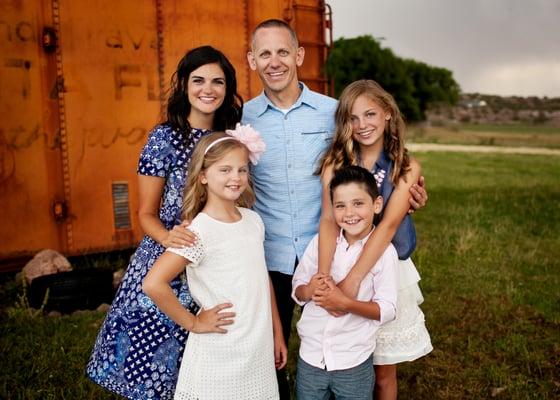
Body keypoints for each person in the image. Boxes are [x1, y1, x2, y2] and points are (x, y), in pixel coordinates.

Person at [242, 19, 428, 398]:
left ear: (299, 55)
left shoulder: (333, 112)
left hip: (348, 254)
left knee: (369, 358)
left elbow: (386, 202)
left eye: (283, 51)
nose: (275, 61)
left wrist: (411, 191)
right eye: (265, 53)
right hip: (274, 252)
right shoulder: (241, 120)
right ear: (252, 61)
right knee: (271, 351)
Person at [86, 46, 243, 399]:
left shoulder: (230, 138)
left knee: (204, 368)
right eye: (198, 80)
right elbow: (146, 214)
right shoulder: (165, 138)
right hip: (168, 262)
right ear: (184, 86)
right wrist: (171, 238)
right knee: (155, 369)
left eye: (218, 81)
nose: (208, 89)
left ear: (228, 88)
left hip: (215, 263)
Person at [143, 128, 286, 400]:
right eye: (225, 170)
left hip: (256, 346)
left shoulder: (253, 221)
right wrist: (194, 324)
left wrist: (277, 332)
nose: (236, 177)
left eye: (242, 170)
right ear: (204, 176)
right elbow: (153, 284)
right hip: (220, 350)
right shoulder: (199, 231)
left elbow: (261, 279)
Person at [316, 79, 433, 400]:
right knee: (346, 362)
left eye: (370, 114)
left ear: (387, 114)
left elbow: (387, 227)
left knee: (383, 371)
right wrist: (326, 275)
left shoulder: (406, 167)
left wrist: (354, 282)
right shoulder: (335, 164)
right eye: (353, 118)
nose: (362, 125)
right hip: (342, 264)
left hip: (385, 269)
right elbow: (327, 220)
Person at [292, 166, 399, 400]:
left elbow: (388, 309)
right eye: (340, 206)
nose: (349, 213)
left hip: (352, 361)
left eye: (358, 203)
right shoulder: (321, 243)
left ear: (377, 204)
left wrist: (345, 303)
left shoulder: (384, 253)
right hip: (311, 357)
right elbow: (298, 289)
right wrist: (309, 289)